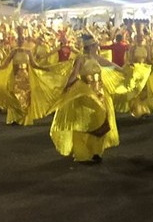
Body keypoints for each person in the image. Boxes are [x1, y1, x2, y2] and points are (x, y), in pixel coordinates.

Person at [49, 34, 125, 163]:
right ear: (90, 47)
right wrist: (66, 86)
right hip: (86, 92)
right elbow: (74, 74)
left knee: (101, 121)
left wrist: (122, 70)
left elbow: (108, 64)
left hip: (100, 92)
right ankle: (83, 151)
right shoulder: (80, 58)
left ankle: (96, 151)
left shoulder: (96, 57)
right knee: (89, 122)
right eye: (95, 45)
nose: (97, 46)